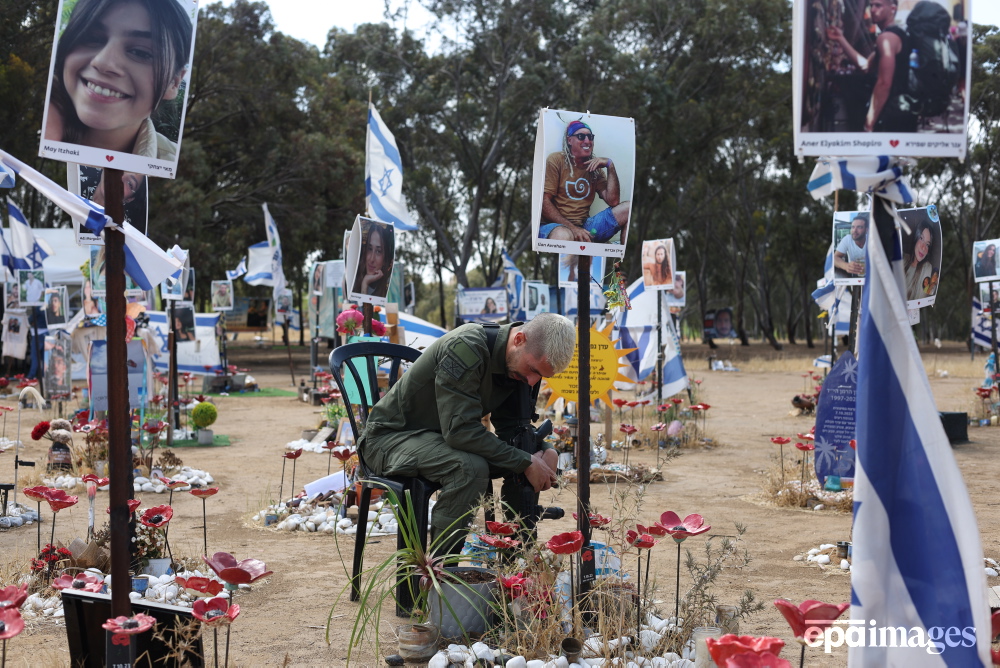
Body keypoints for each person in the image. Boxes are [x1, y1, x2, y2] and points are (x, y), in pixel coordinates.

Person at [357, 313, 576, 552]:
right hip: (389, 440)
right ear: (519, 339)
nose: (532, 381)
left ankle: (515, 567)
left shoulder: (517, 364)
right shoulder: (466, 346)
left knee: (526, 451)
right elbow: (460, 432)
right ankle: (439, 573)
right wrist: (526, 461)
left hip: (439, 439)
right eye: (532, 369)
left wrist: (545, 451)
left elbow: (514, 431)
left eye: (541, 376)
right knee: (470, 467)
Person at [44, 0, 193, 158]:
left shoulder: (174, 162)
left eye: (141, 52)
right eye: (92, 38)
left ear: (174, 83)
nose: (103, 63)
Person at [826, 0, 916, 132]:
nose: (872, 9)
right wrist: (840, 39)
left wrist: (869, 123)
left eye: (878, 5)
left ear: (892, 9)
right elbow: (866, 66)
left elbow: (884, 83)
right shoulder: (894, 34)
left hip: (893, 115)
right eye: (871, 5)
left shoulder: (887, 38)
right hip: (903, 111)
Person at [538, 120, 630, 243]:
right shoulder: (556, 160)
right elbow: (544, 202)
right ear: (569, 140)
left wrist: (610, 166)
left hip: (585, 227)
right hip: (555, 226)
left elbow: (613, 201)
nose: (587, 141)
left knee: (628, 208)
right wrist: (573, 229)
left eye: (590, 137)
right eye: (581, 136)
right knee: (563, 236)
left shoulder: (595, 168)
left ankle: (621, 261)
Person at [352, 222, 393, 297]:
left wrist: (365, 283)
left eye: (378, 251)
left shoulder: (389, 290)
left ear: (385, 259)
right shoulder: (353, 281)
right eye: (370, 249)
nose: (372, 259)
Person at [903, 220, 936, 301]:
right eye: (921, 238)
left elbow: (921, 300)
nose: (923, 247)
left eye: (927, 244)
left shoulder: (927, 267)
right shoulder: (903, 258)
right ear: (915, 237)